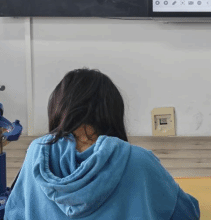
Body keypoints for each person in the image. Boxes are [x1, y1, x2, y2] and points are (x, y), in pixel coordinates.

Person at [5, 68, 200, 220]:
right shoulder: (139, 161)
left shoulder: (37, 152)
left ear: (58, 107)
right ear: (113, 110)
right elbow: (186, 214)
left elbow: (13, 213)